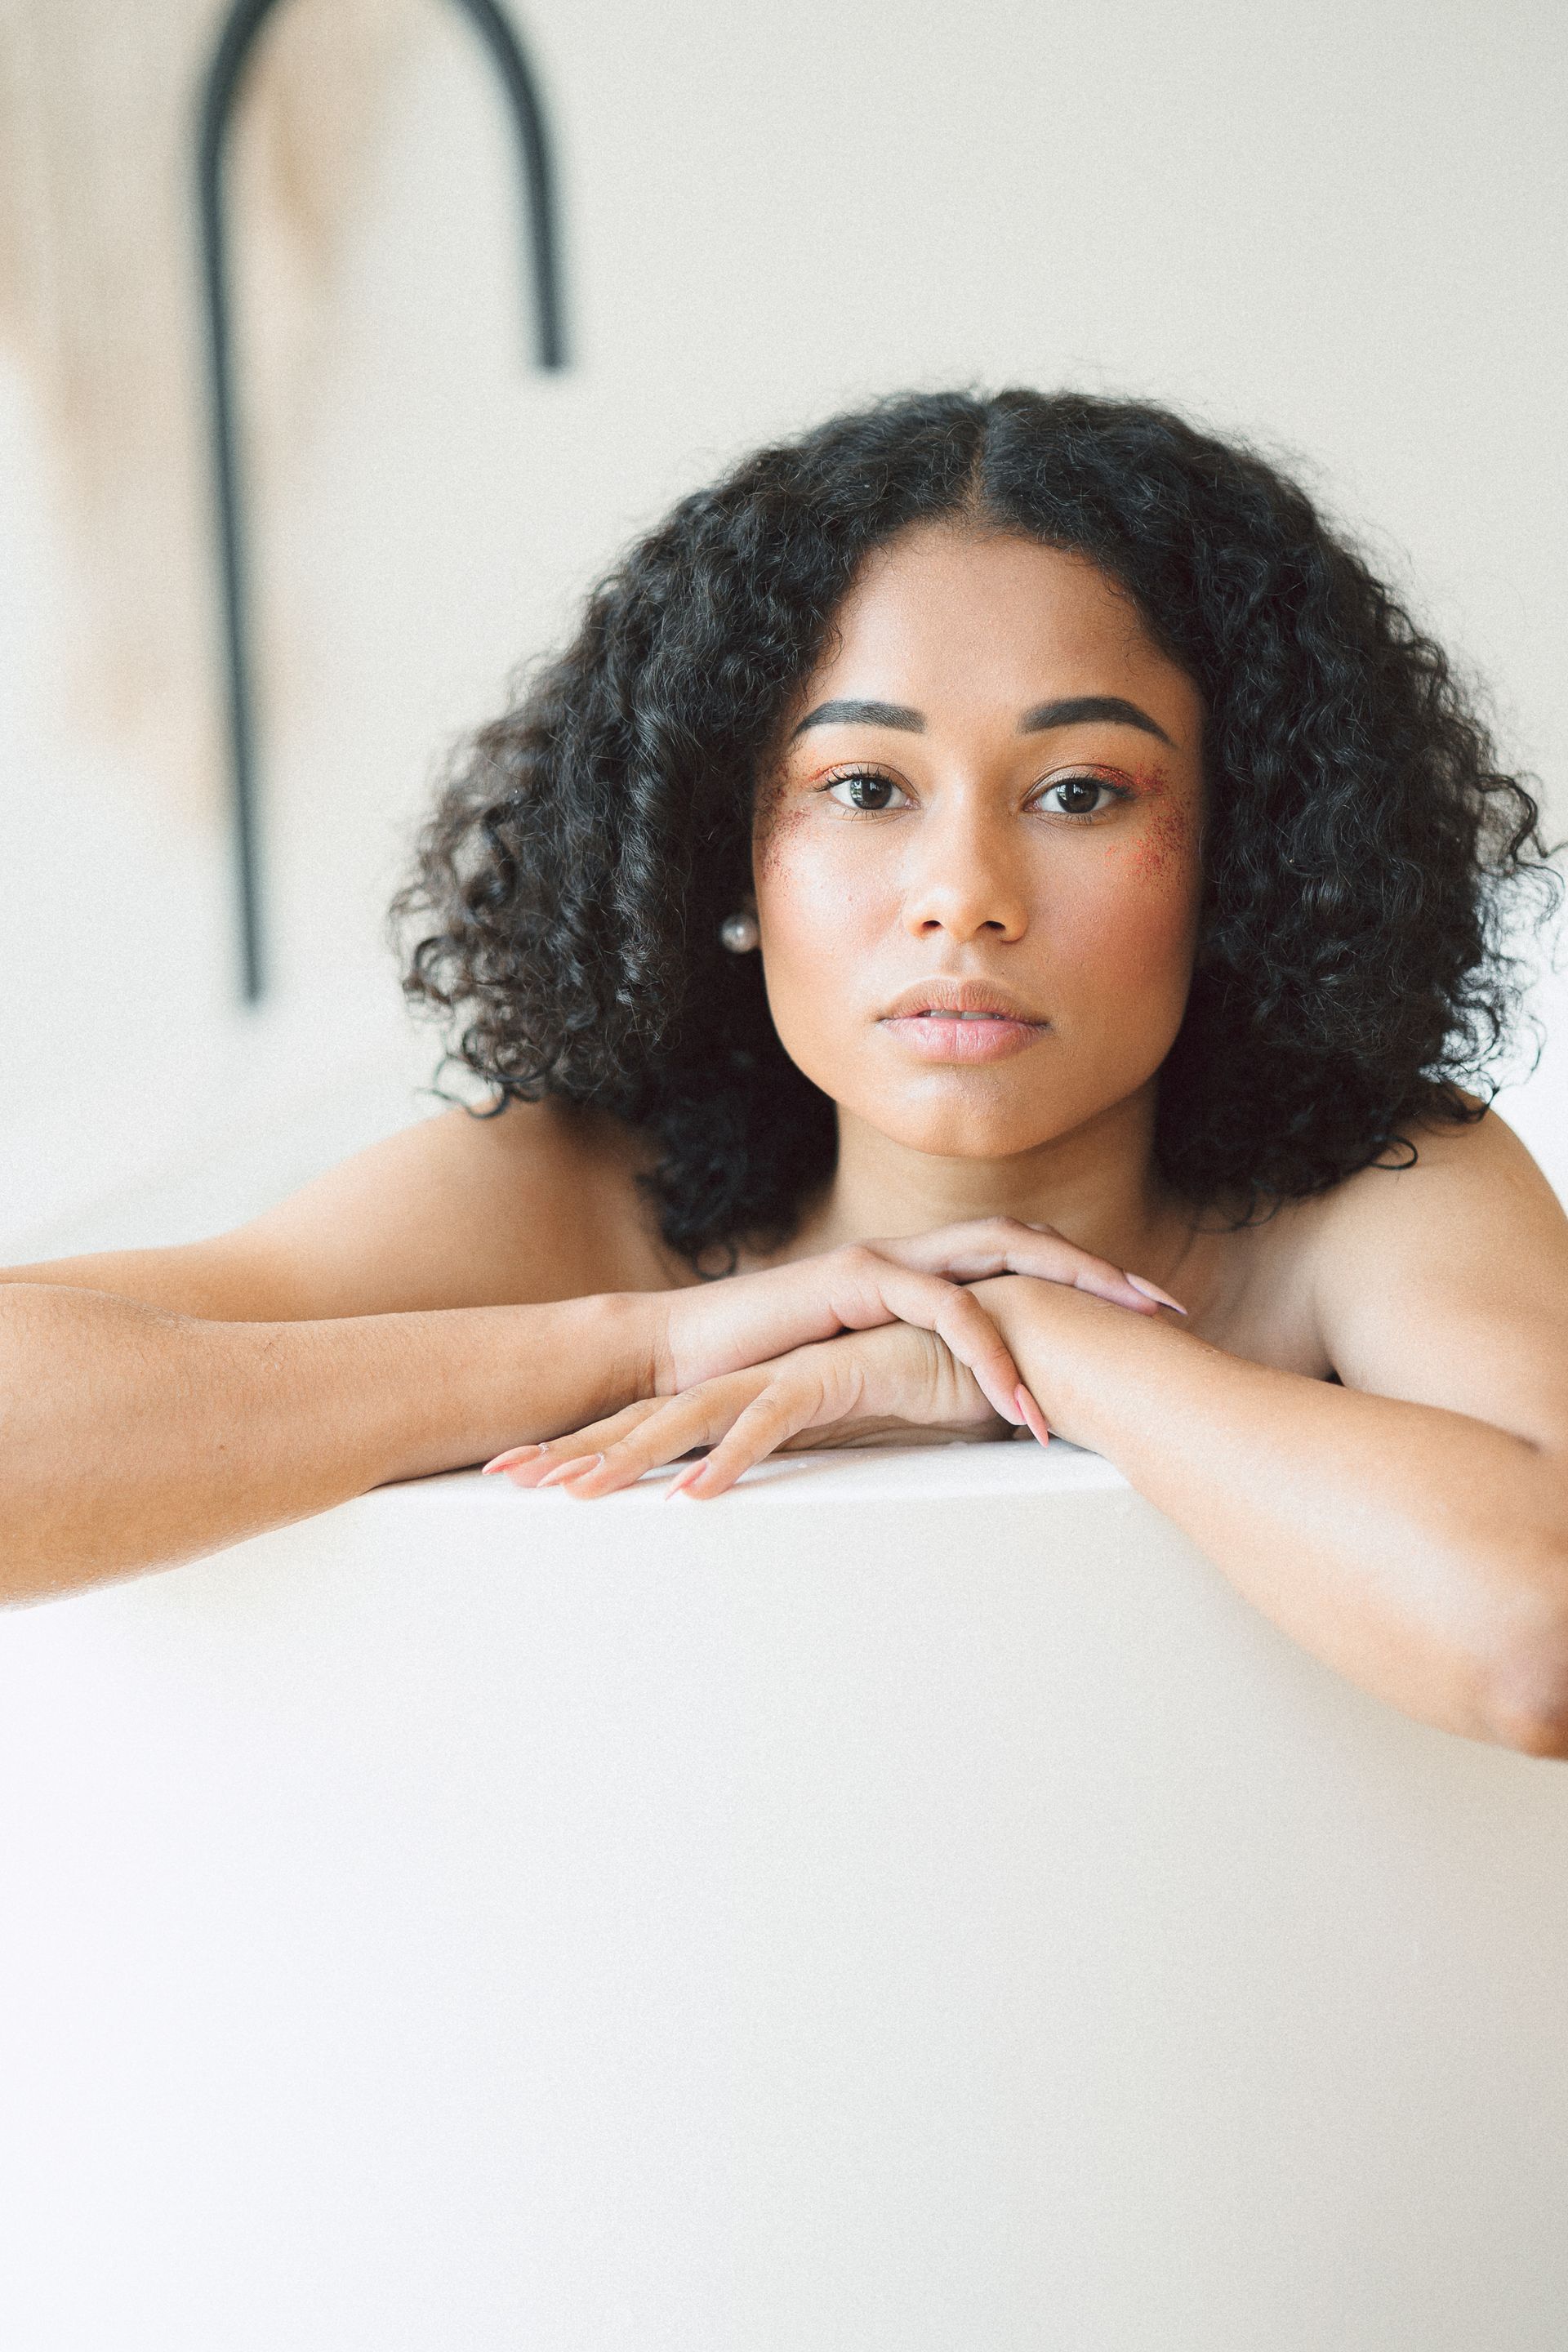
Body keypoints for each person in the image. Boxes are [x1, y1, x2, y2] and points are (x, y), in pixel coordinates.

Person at [5, 389, 1566, 1755]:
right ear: (727, 849)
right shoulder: (581, 1202)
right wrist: (648, 1346)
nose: (964, 891)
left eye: (1082, 790)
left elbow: (1537, 1641)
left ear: (1243, 853)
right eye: (865, 785)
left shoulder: (1370, 1195)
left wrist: (1032, 1346)